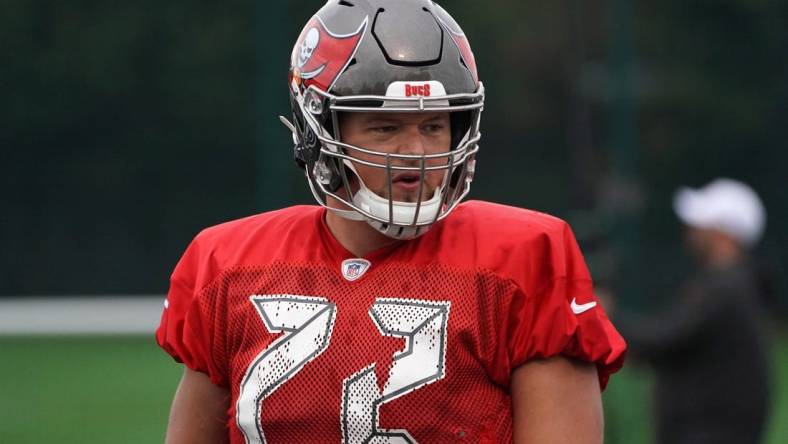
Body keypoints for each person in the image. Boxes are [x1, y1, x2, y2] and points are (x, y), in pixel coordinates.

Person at [156, 1, 626, 442]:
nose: (415, 154)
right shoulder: (229, 265)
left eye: (433, 126)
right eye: (385, 127)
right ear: (317, 130)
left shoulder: (521, 257)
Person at [617, 178, 770, 444]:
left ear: (725, 233)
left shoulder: (724, 289)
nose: (692, 230)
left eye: (702, 223)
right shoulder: (732, 285)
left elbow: (665, 337)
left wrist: (604, 316)